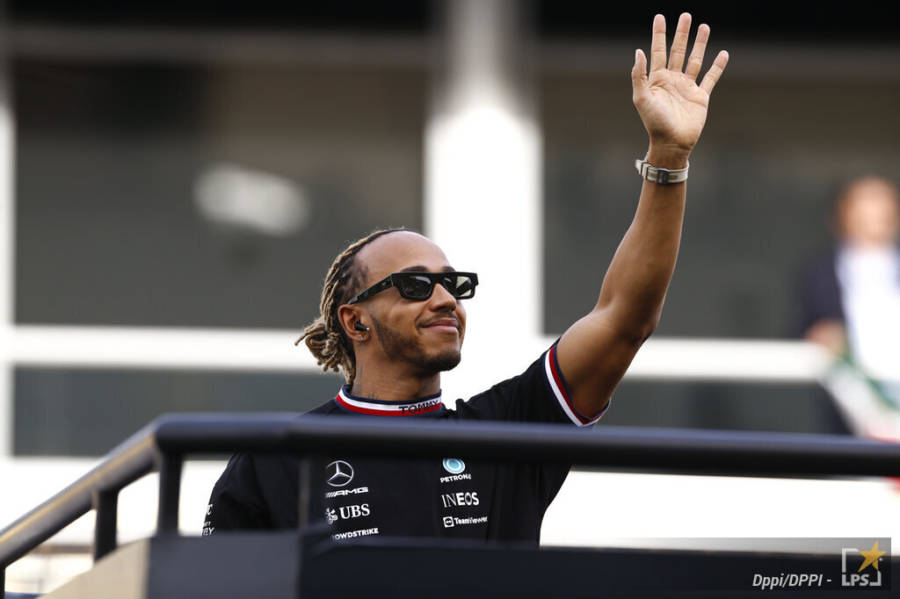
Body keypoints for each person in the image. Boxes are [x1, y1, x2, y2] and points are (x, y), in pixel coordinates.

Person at [204, 12, 729, 543]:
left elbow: (623, 319)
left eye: (453, 285)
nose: (444, 300)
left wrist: (669, 156)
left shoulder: (507, 433)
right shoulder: (274, 460)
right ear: (355, 321)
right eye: (415, 286)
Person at [796, 176, 900, 437]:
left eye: (881, 202)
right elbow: (801, 330)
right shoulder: (819, 274)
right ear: (842, 213)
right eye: (864, 203)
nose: (873, 212)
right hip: (848, 413)